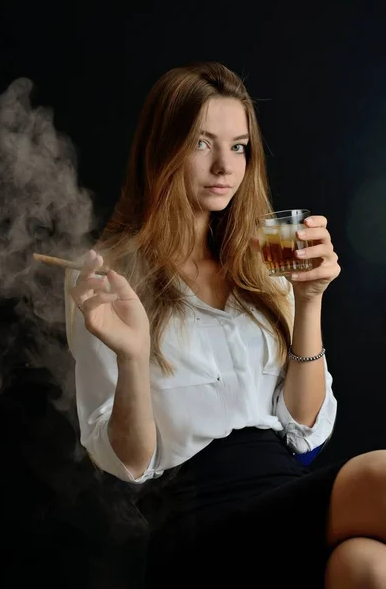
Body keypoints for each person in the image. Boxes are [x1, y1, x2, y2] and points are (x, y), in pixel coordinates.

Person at [65, 62, 386, 588]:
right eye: (201, 143)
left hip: (283, 493)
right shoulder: (110, 273)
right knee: (379, 477)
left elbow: (302, 430)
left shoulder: (266, 253)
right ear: (163, 148)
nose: (223, 167)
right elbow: (129, 461)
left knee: (368, 568)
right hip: (197, 522)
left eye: (238, 146)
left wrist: (308, 301)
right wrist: (130, 354)